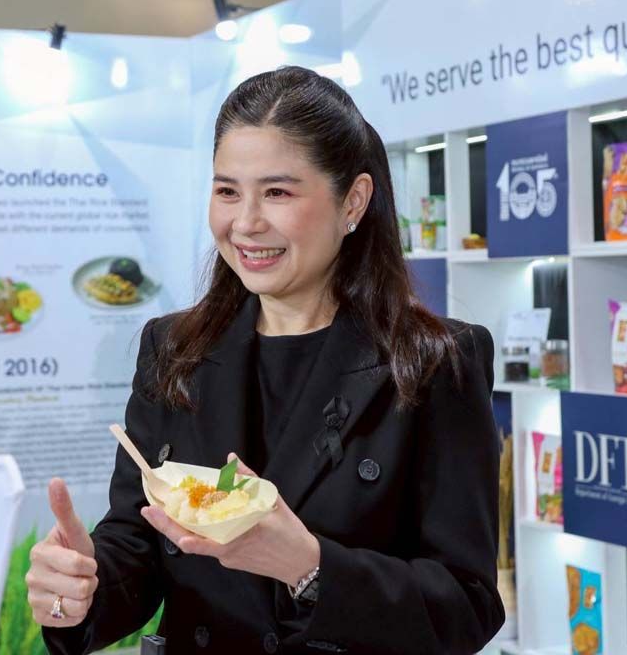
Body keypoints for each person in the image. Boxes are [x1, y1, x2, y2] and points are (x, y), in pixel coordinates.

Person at [26, 65, 504, 654]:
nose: (245, 223)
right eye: (227, 191)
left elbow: (467, 605)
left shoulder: (433, 362)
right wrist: (82, 588)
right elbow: (137, 542)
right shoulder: (173, 349)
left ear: (353, 201)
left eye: (277, 192)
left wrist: (309, 566)